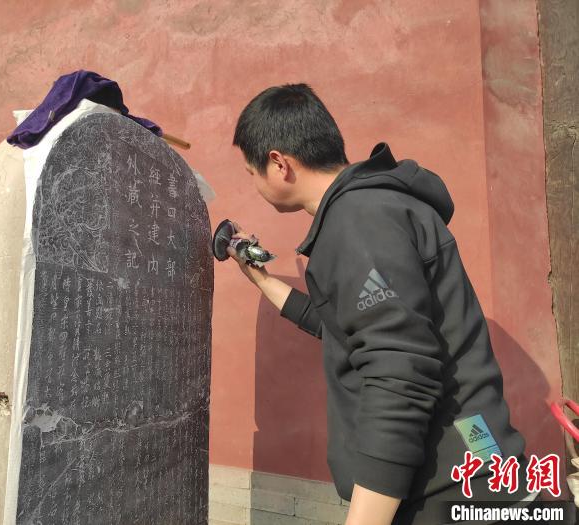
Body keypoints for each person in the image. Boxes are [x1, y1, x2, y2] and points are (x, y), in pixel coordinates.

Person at [226, 83, 538, 525]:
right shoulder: (377, 208)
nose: (255, 184)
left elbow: (398, 373)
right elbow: (343, 327)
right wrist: (259, 277)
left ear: (279, 164)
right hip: (476, 475)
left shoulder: (357, 221)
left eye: (251, 173)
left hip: (447, 492)